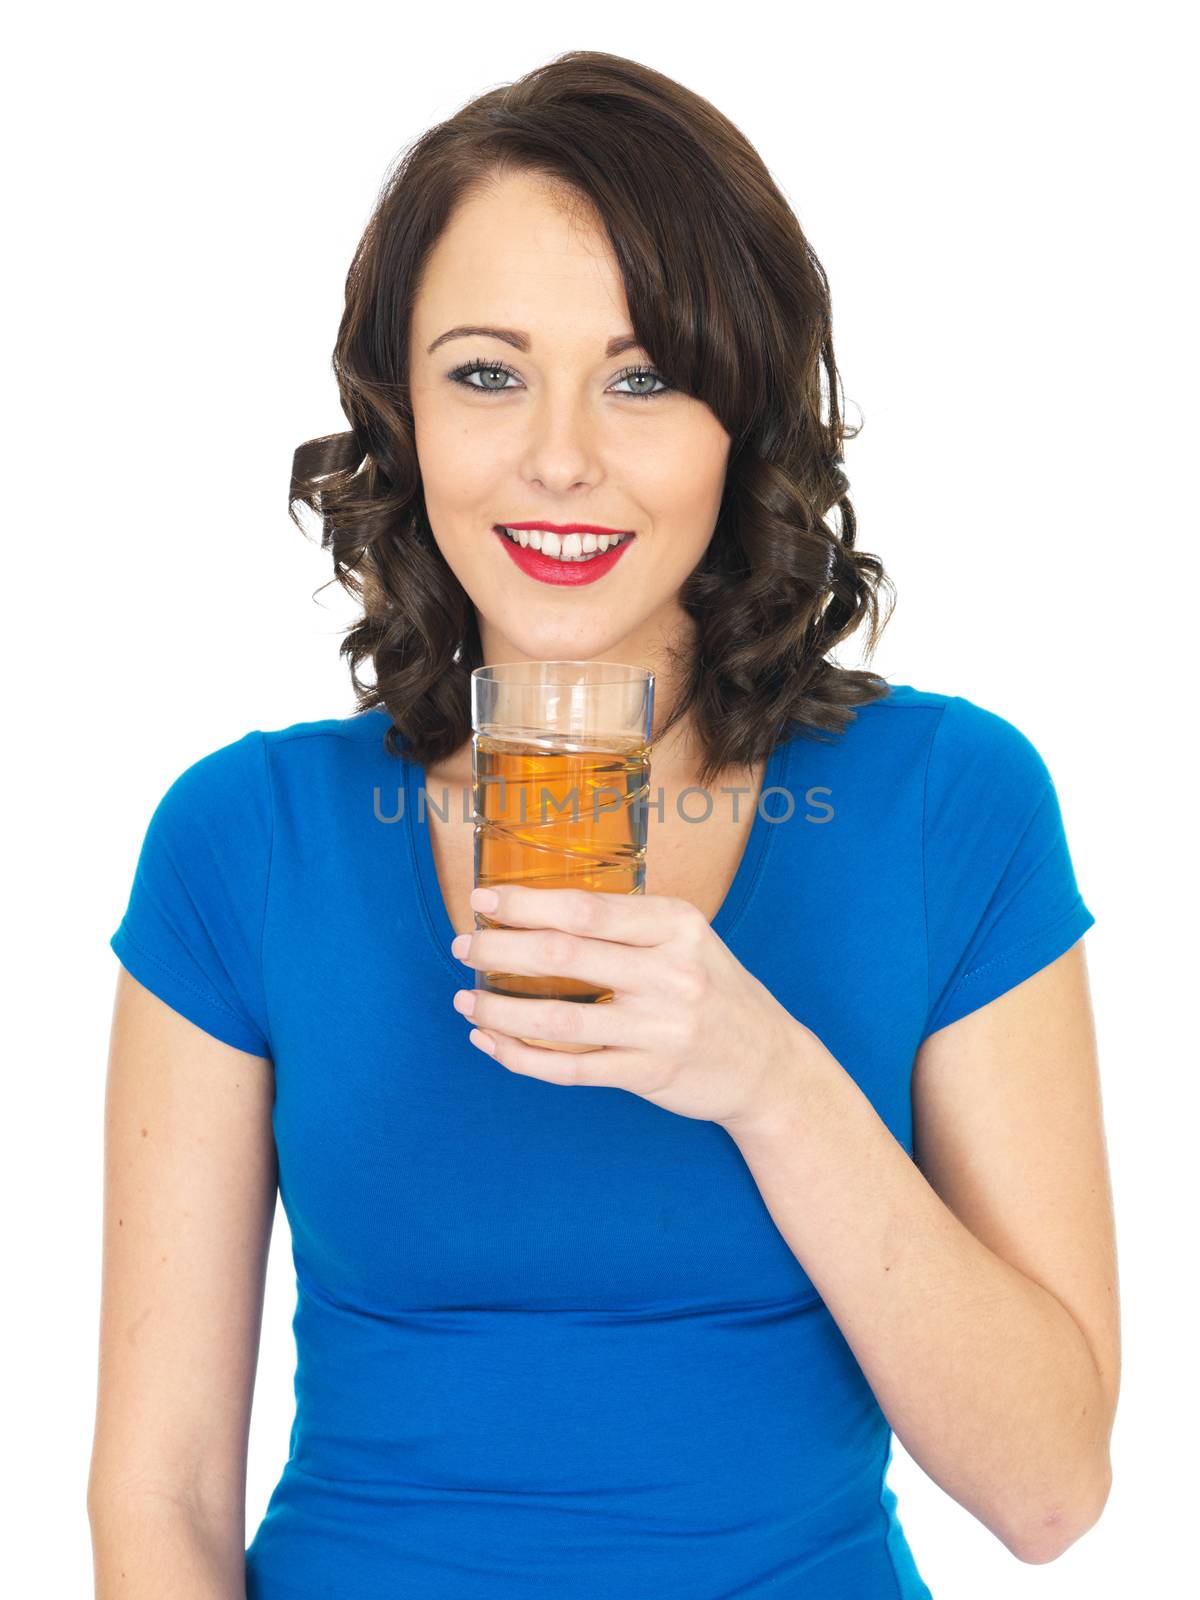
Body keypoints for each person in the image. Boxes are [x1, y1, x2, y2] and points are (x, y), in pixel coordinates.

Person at [88, 49, 1120, 1600]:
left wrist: (770, 1079)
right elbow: (158, 1499)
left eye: (643, 377)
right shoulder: (248, 840)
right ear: (401, 416)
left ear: (741, 418)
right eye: (487, 373)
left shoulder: (943, 804)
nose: (560, 454)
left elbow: (1051, 1495)